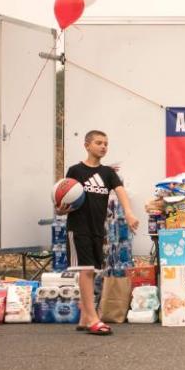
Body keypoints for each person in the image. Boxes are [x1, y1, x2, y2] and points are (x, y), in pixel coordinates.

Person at [58, 130, 140, 335]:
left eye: (106, 143)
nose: (103, 146)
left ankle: (85, 316)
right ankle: (93, 318)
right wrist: (59, 208)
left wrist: (129, 213)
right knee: (85, 271)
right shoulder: (75, 170)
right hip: (78, 228)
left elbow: (120, 191)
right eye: (98, 143)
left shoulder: (108, 173)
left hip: (97, 229)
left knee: (93, 271)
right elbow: (63, 195)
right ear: (87, 145)